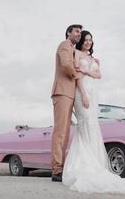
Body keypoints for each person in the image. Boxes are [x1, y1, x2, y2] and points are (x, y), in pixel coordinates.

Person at [62, 30, 125, 194]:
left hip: (94, 94)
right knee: (85, 122)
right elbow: (77, 77)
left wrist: (87, 71)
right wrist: (84, 94)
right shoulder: (77, 54)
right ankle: (83, 164)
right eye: (86, 39)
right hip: (82, 93)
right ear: (81, 41)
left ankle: (94, 162)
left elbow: (99, 75)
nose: (88, 42)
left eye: (90, 40)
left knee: (93, 125)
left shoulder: (94, 59)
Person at [50, 24, 83, 182]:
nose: (79, 34)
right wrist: (77, 76)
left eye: (80, 32)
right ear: (68, 33)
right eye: (76, 31)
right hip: (62, 92)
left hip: (70, 95)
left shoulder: (74, 49)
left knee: (66, 133)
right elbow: (66, 64)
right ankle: (56, 170)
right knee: (60, 132)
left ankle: (60, 168)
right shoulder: (64, 45)